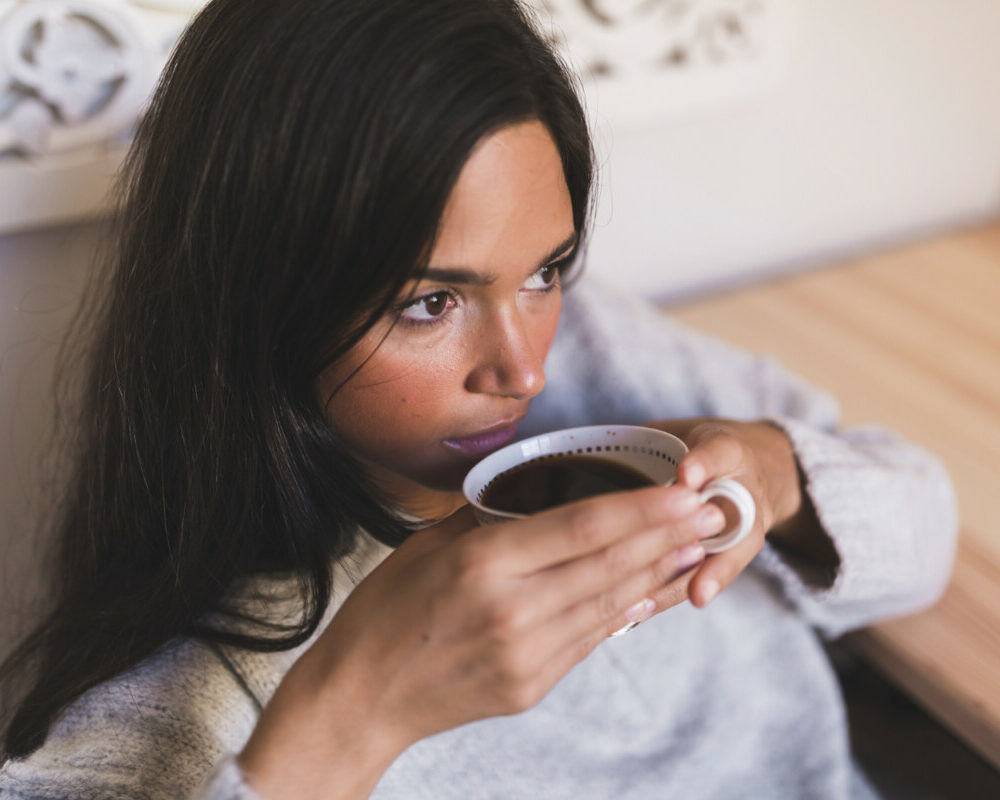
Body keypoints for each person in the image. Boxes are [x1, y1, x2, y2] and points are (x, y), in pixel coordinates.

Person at [0, 1, 957, 798]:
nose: (522, 370)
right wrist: (352, 715)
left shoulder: (589, 349)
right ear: (256, 300)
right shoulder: (176, 704)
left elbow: (922, 542)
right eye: (429, 303)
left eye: (544, 269)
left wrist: (773, 473)